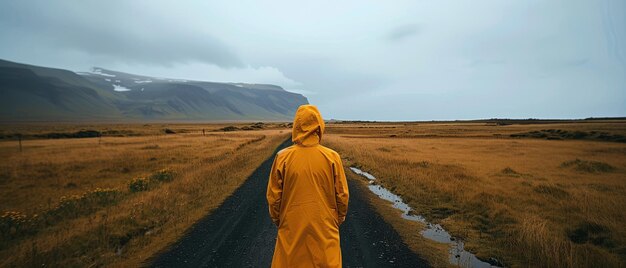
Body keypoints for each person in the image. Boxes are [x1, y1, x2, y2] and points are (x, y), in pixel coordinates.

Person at [266, 104, 349, 268]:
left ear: (296, 125)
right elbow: (342, 196)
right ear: (319, 126)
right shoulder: (332, 157)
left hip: (291, 228)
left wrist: (281, 220)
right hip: (325, 228)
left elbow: (274, 198)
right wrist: (335, 220)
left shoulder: (282, 158)